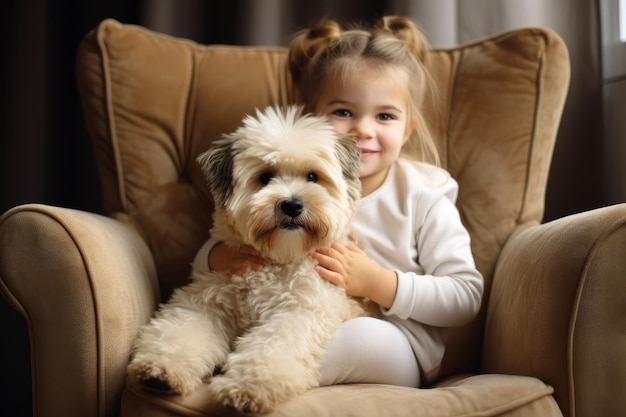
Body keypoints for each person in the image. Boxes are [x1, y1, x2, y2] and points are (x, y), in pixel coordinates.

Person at [194, 15, 483, 388]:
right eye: (344, 112)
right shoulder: (288, 186)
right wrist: (216, 258)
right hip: (279, 317)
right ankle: (245, 365)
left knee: (361, 337)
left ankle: (255, 376)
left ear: (407, 127)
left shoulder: (423, 192)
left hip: (392, 341)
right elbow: (227, 236)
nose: (364, 129)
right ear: (311, 117)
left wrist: (379, 283)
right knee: (225, 315)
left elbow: (465, 295)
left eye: (385, 116)